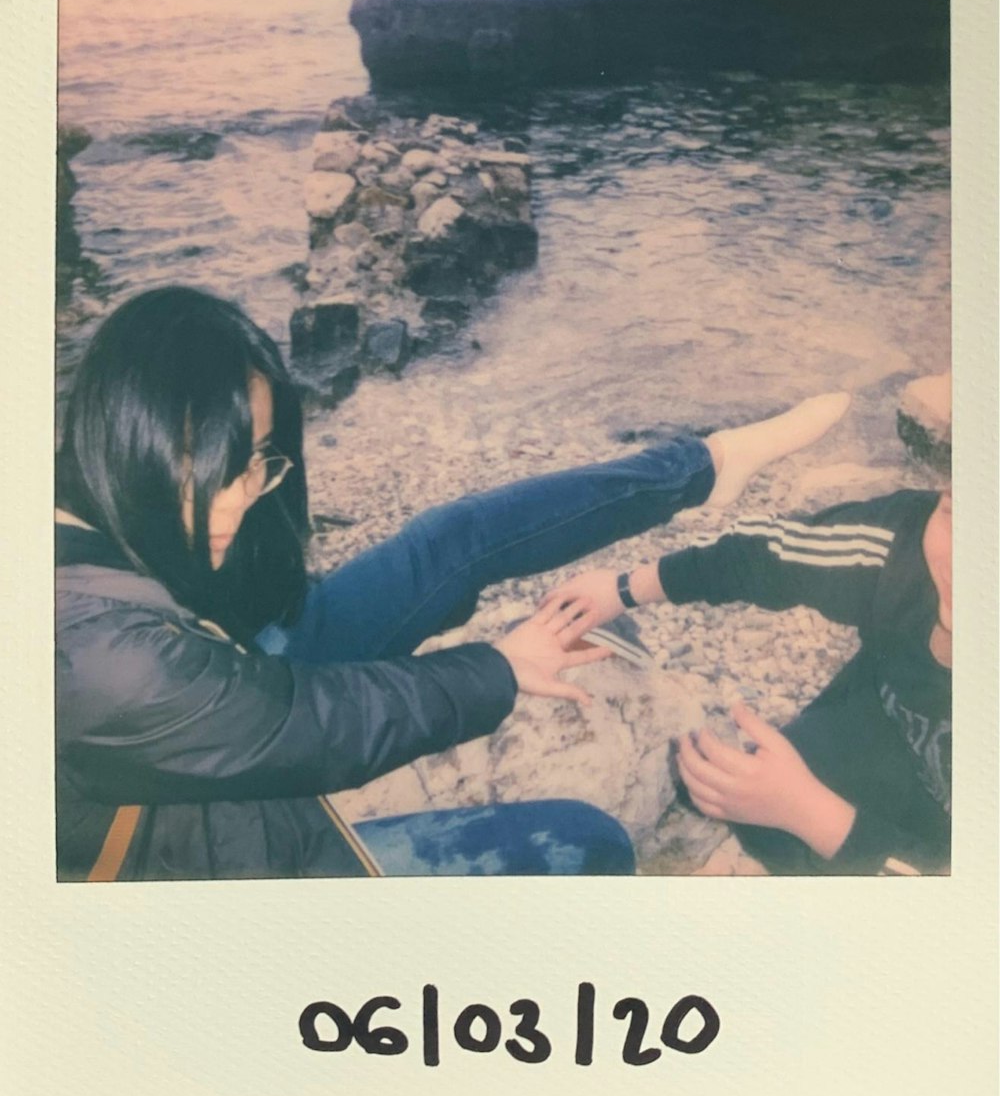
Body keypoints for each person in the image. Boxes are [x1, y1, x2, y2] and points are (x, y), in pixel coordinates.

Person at [55, 285, 851, 881]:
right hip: (250, 884)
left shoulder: (78, 521)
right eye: (218, 466)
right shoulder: (101, 656)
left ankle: (704, 467)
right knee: (590, 844)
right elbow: (321, 725)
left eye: (257, 459)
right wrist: (500, 669)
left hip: (243, 672)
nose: (244, 496)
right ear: (129, 433)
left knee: (451, 542)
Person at [547, 477, 952, 875]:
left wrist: (808, 811)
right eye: (954, 515)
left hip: (929, 857)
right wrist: (622, 589)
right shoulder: (902, 544)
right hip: (878, 749)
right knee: (744, 809)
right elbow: (766, 554)